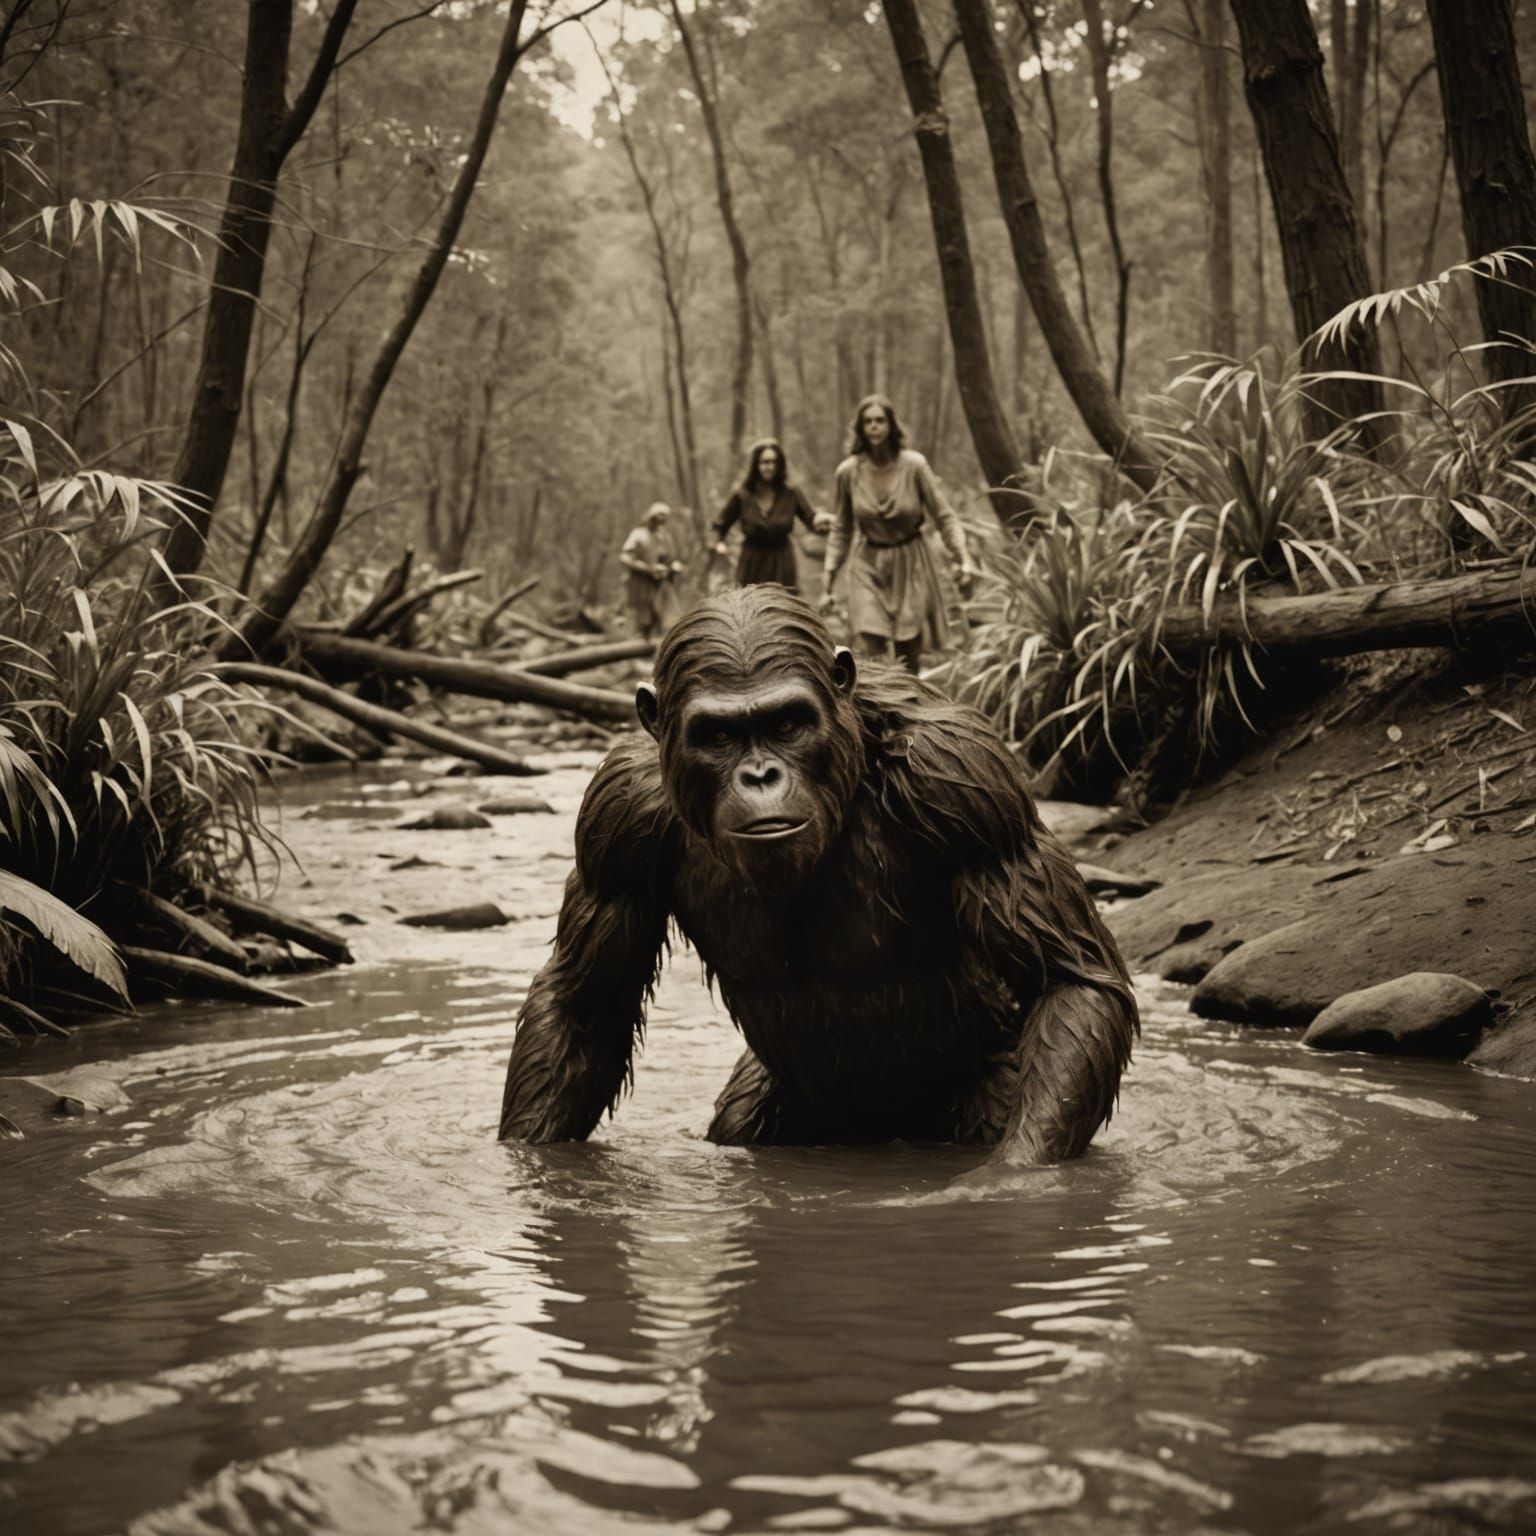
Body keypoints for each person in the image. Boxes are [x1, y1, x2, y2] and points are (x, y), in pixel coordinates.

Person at [822, 394, 977, 674]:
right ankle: (876, 712)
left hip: (911, 561)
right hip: (867, 561)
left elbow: (944, 516)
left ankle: (911, 709)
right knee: (871, 641)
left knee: (908, 652)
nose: (874, 427)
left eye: (880, 421)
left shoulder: (914, 466)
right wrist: (830, 573)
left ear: (891, 426)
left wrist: (962, 556)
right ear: (860, 429)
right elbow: (842, 528)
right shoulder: (847, 472)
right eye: (868, 422)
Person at [711, 437, 830, 590]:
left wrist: (824, 523)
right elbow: (720, 524)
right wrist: (718, 544)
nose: (770, 467)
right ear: (756, 465)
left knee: (783, 608)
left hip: (782, 562)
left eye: (774, 462)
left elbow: (810, 518)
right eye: (764, 462)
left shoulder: (791, 492)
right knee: (748, 607)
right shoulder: (743, 494)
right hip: (752, 562)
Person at [621, 501, 684, 639]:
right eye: (657, 517)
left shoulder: (665, 536)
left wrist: (673, 566)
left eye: (664, 518)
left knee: (667, 617)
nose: (660, 522)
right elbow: (625, 557)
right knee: (642, 619)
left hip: (662, 584)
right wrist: (648, 568)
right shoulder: (638, 534)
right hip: (642, 584)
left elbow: (669, 558)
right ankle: (636, 648)